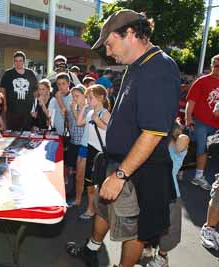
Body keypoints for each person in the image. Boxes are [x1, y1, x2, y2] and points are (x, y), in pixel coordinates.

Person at [66, 10, 180, 267]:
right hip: (119, 163)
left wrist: (120, 175)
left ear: (129, 34)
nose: (108, 51)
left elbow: (153, 132)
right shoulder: (136, 65)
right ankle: (92, 249)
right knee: (104, 207)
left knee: (135, 228)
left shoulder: (159, 67)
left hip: (139, 171)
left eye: (109, 43)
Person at [146, 123, 189, 267]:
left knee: (169, 230)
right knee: (149, 223)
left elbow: (183, 140)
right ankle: (148, 248)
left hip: (170, 196)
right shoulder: (155, 144)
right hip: (151, 193)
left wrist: (175, 131)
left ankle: (162, 257)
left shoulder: (177, 146)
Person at [186, 54, 219, 190]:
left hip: (216, 124)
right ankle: (198, 177)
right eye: (216, 65)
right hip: (202, 122)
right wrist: (188, 118)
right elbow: (191, 101)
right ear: (211, 66)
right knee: (202, 148)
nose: (218, 68)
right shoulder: (202, 81)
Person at [77, 84, 111, 219]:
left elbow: (109, 130)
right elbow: (79, 122)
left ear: (101, 98)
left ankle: (94, 211)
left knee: (97, 184)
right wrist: (84, 108)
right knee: (90, 184)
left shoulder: (105, 113)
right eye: (87, 98)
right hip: (91, 150)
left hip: (100, 153)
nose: (88, 100)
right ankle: (92, 209)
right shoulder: (91, 112)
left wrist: (98, 121)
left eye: (90, 98)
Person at [0, 51, 38, 130]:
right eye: (16, 61)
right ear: (14, 62)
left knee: (27, 133)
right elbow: (2, 90)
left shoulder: (30, 73)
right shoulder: (8, 74)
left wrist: (35, 107)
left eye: (20, 60)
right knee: (13, 132)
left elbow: (36, 91)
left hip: (27, 109)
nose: (18, 63)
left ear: (24, 62)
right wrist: (4, 104)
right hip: (12, 109)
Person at [69, 84, 90, 208]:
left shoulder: (88, 109)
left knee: (83, 175)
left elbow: (79, 123)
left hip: (85, 144)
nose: (74, 98)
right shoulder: (76, 106)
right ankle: (77, 197)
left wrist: (73, 110)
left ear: (84, 96)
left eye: (77, 96)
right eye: (73, 96)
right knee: (76, 174)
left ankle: (82, 199)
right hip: (75, 141)